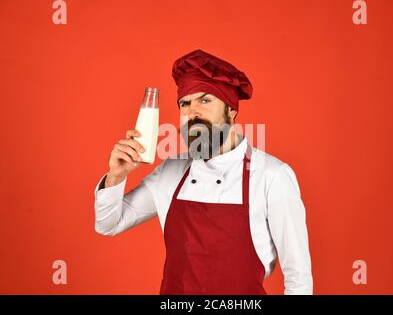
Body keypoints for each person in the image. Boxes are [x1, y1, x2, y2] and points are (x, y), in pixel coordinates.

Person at [94, 49, 313, 295]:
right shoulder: (172, 171)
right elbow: (108, 224)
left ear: (231, 110)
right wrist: (117, 176)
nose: (192, 112)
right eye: (184, 103)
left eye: (205, 100)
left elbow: (298, 278)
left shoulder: (272, 176)